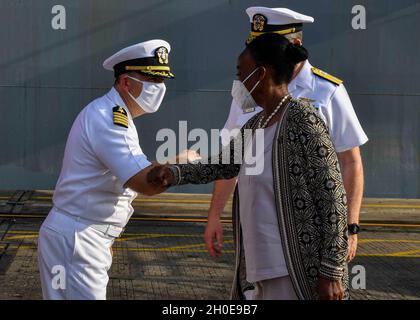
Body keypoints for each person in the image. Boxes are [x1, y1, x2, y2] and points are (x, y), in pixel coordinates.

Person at [148, 33, 349, 300]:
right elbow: (221, 165)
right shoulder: (254, 125)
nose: (238, 82)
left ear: (261, 74)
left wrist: (332, 270)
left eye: (240, 72)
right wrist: (172, 173)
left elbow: (333, 197)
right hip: (258, 269)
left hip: (296, 268)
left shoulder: (304, 120)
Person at [206, 7, 367, 265]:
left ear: (295, 44)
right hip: (254, 225)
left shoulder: (327, 92)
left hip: (310, 228)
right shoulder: (248, 89)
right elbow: (231, 158)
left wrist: (350, 227)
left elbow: (351, 162)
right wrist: (215, 214)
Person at [37, 40, 182, 300]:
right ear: (126, 83)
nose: (159, 87)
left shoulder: (115, 115)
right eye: (151, 79)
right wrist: (181, 166)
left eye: (162, 80)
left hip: (83, 235)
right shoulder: (110, 118)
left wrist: (106, 238)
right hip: (79, 238)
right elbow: (145, 183)